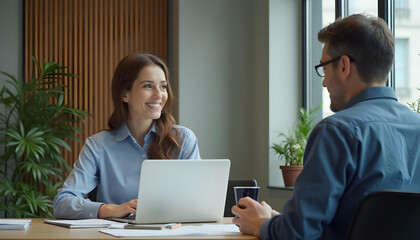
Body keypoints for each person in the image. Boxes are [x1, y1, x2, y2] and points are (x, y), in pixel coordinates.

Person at [232, 14, 420, 239]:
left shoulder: (337, 132)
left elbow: (298, 233)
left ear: (343, 66)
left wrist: (261, 225)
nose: (323, 81)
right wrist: (278, 221)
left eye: (324, 67)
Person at [53, 53, 201, 219]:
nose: (159, 95)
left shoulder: (183, 140)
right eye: (148, 86)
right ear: (125, 94)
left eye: (163, 86)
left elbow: (198, 202)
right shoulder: (98, 145)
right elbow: (62, 202)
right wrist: (111, 209)